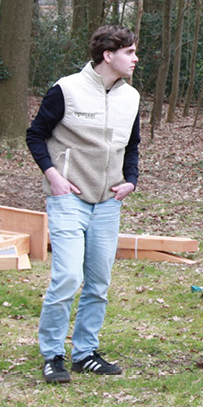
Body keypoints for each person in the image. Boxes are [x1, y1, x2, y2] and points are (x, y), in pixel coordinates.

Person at [27, 25, 142, 384]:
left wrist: (131, 180)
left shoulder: (131, 98)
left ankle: (85, 353)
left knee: (98, 283)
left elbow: (132, 145)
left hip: (108, 202)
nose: (136, 59)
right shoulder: (66, 90)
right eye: (130, 52)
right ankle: (52, 356)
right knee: (67, 277)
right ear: (108, 55)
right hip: (69, 199)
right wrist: (54, 177)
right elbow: (35, 135)